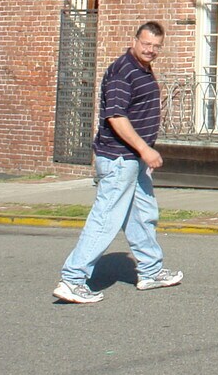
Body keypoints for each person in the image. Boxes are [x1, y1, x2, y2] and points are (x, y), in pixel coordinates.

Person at [53, 22, 182, 304]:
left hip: (133, 160)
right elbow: (116, 116)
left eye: (156, 46)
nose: (150, 50)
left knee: (142, 215)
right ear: (134, 40)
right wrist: (145, 150)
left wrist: (142, 154)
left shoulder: (141, 69)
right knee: (105, 219)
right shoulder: (123, 72)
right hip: (119, 159)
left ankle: (150, 271)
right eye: (146, 44)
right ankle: (73, 279)